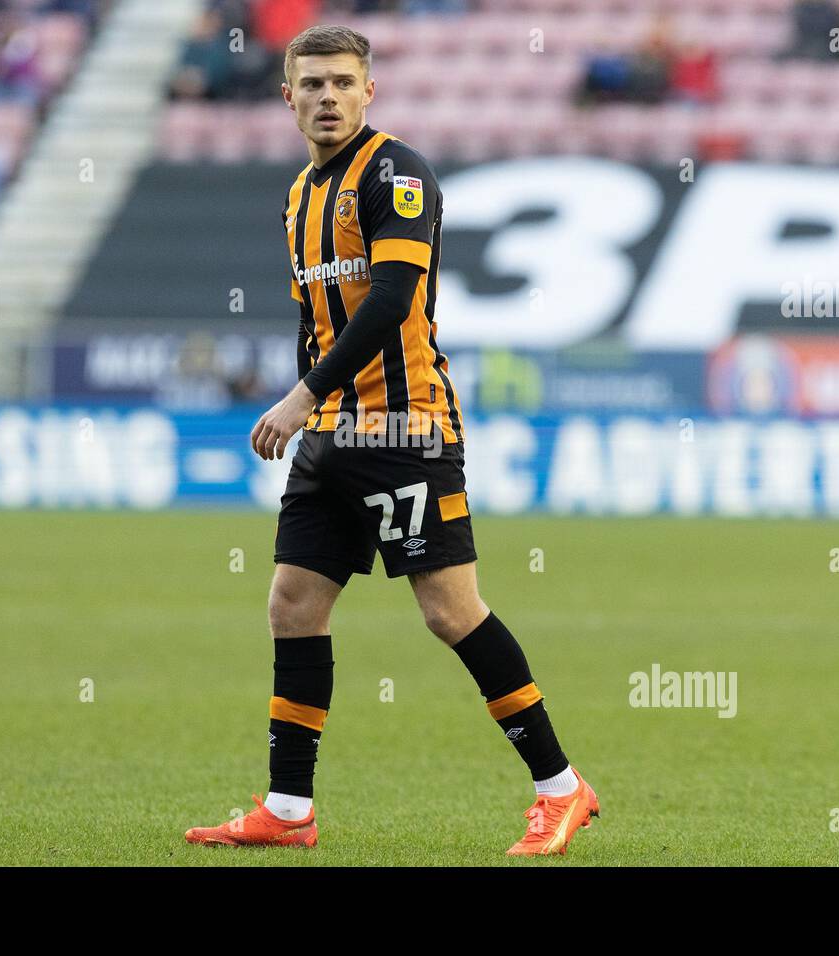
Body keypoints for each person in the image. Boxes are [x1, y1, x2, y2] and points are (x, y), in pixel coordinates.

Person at [183, 25, 598, 857]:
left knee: (450, 612)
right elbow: (321, 316)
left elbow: (393, 300)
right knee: (292, 606)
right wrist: (315, 404)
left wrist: (303, 395)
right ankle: (288, 810)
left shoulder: (397, 173)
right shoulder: (301, 194)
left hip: (403, 429)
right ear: (288, 96)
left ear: (370, 91)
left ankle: (562, 789)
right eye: (312, 84)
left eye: (342, 82)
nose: (327, 96)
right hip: (333, 433)